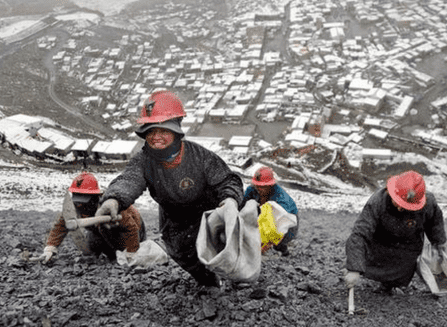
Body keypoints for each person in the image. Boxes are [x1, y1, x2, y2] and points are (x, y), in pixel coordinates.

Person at [95, 90, 243, 287]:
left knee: (225, 247)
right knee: (185, 256)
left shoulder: (200, 156)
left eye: (163, 131)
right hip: (174, 220)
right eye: (150, 131)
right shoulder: (144, 160)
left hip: (210, 212)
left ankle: (237, 277)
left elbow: (227, 180)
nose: (156, 137)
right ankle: (209, 282)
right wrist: (113, 199)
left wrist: (229, 201)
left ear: (176, 130)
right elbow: (129, 180)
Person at [344, 170, 447, 293]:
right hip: (381, 238)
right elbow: (359, 234)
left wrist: (438, 242)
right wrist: (353, 268)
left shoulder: (428, 203)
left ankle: (390, 286)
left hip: (409, 240)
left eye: (406, 206)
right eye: (397, 202)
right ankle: (381, 282)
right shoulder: (377, 202)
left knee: (404, 266)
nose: (400, 208)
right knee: (375, 261)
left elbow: (434, 223)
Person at [36, 171, 146, 263]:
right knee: (90, 250)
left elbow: (131, 227)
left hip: (131, 229)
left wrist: (131, 253)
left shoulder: (110, 205)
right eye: (77, 199)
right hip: (99, 230)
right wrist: (50, 248)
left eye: (84, 200)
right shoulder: (73, 207)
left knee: (120, 255)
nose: (80, 205)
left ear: (95, 197)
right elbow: (60, 225)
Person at [241, 166, 298, 256]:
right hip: (263, 216)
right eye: (258, 186)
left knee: (277, 241)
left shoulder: (281, 199)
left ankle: (282, 249)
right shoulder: (251, 190)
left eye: (263, 187)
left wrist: (268, 243)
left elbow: (282, 223)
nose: (260, 189)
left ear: (271, 185)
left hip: (287, 219)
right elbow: (241, 206)